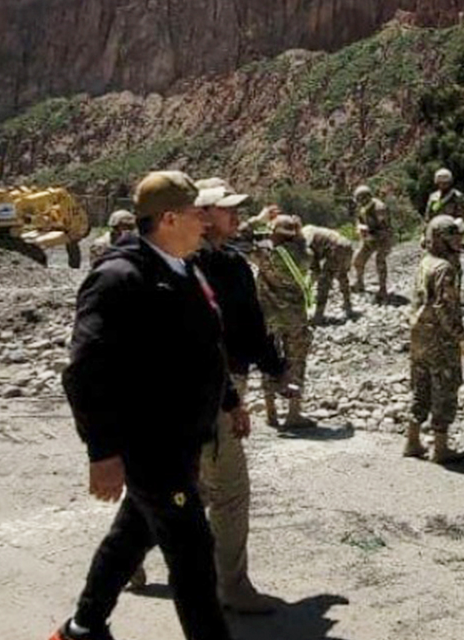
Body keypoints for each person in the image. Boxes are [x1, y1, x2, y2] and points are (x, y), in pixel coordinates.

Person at [53, 171, 240, 640]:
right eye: (199, 213)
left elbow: (206, 346)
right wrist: (102, 453)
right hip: (150, 447)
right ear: (170, 217)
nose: (207, 223)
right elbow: (83, 372)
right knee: (194, 558)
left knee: (131, 536)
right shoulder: (120, 277)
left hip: (181, 441)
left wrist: (230, 400)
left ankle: (82, 628)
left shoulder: (183, 268)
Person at [189, 178, 288, 613]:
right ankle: (231, 587)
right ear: (203, 215)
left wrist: (275, 368)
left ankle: (127, 559)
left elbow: (250, 326)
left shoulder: (227, 263)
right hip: (207, 390)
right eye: (226, 208)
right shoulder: (190, 267)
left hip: (220, 387)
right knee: (228, 490)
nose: (236, 214)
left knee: (183, 483)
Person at [404, 215, 464, 464]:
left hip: (419, 334)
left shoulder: (427, 262)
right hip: (439, 338)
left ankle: (412, 440)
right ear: (443, 239)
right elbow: (445, 307)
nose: (459, 240)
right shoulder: (445, 268)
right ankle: (440, 447)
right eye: (454, 236)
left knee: (420, 386)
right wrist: (461, 337)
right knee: (445, 388)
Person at [249, 215, 314, 430]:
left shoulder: (266, 255)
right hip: (295, 318)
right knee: (296, 362)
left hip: (269, 318)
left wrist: (256, 222)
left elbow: (241, 239)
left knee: (270, 361)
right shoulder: (305, 254)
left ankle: (271, 412)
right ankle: (294, 413)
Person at [301, 223, 356, 324]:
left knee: (323, 283)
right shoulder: (310, 229)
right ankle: (348, 305)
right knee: (342, 276)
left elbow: (311, 257)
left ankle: (318, 315)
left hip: (336, 249)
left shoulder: (304, 235)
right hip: (347, 245)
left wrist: (310, 280)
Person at [350, 184, 393, 303]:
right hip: (369, 238)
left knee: (380, 261)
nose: (358, 202)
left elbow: (385, 229)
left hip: (383, 239)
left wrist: (369, 231)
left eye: (360, 200)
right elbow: (359, 219)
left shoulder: (380, 209)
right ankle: (359, 282)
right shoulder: (363, 207)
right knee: (358, 259)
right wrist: (359, 228)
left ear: (365, 198)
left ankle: (383, 289)